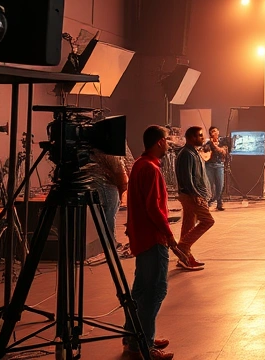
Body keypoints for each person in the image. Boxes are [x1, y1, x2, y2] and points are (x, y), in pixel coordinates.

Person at [124, 125, 182, 360]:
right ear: (159, 142)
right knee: (155, 290)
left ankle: (133, 337)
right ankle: (145, 344)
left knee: (139, 290)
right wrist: (168, 235)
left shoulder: (139, 165)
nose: (168, 143)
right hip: (152, 239)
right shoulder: (151, 169)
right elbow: (155, 209)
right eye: (167, 140)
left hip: (141, 237)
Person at [173, 126, 215, 271]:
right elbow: (187, 178)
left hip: (194, 194)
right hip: (192, 195)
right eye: (199, 136)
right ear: (191, 138)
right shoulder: (187, 154)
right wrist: (195, 194)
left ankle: (184, 257)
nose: (203, 138)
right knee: (208, 221)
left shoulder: (193, 153)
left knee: (188, 225)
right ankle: (183, 247)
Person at [89, 149, 128, 247]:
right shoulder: (109, 146)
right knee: (110, 211)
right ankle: (110, 243)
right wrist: (123, 183)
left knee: (106, 212)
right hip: (106, 182)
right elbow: (117, 167)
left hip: (99, 180)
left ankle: (108, 242)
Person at [204, 126, 228, 211]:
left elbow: (223, 152)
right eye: (212, 131)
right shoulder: (208, 142)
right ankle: (208, 203)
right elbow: (204, 151)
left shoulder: (222, 141)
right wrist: (208, 145)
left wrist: (213, 145)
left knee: (220, 185)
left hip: (219, 165)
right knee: (209, 185)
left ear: (218, 132)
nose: (214, 133)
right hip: (209, 165)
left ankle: (219, 203)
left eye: (215, 131)